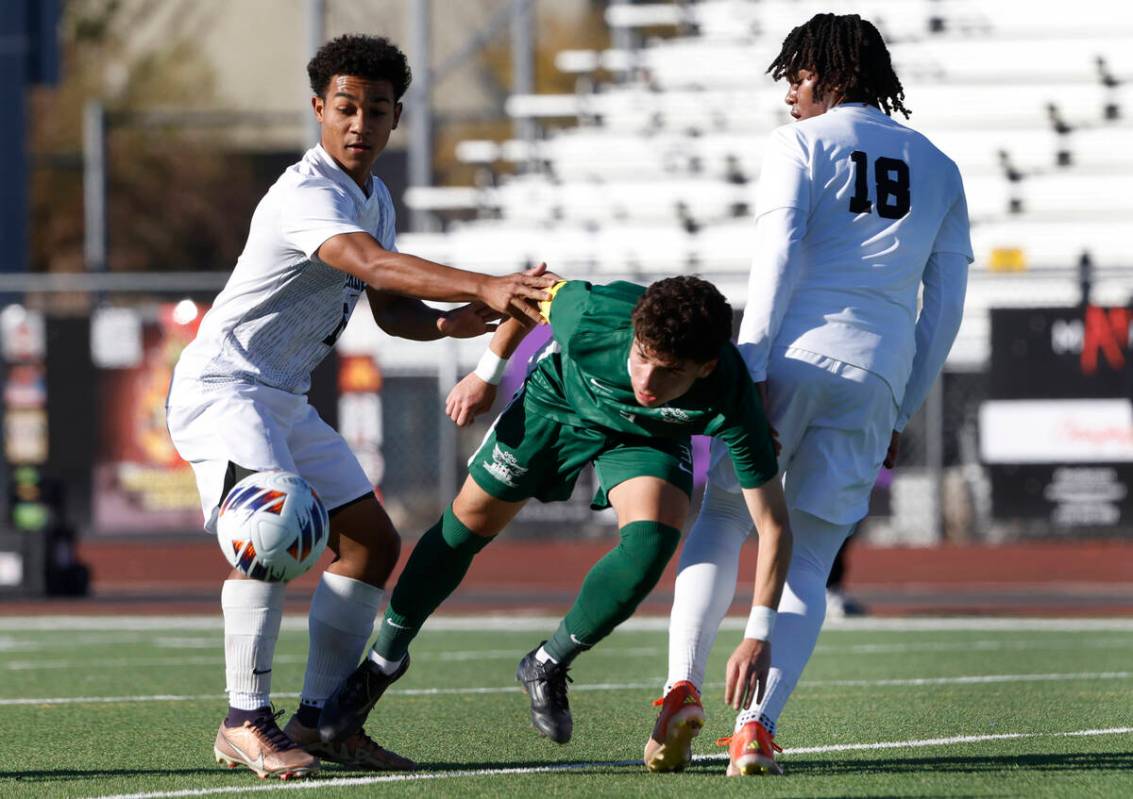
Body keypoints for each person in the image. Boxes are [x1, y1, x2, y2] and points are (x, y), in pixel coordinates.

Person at [165, 34, 555, 781]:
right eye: (345, 107)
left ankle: (322, 720)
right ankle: (244, 719)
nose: (359, 123)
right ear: (318, 108)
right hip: (224, 388)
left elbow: (387, 306)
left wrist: (448, 321)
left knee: (372, 542)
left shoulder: (372, 196)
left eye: (375, 110)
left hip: (279, 395)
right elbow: (370, 263)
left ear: (395, 117)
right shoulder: (306, 191)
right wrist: (484, 284)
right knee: (269, 524)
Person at [651, 13, 972, 777]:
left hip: (789, 356)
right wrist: (901, 402)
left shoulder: (798, 143)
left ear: (829, 76)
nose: (789, 92)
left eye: (796, 75)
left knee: (725, 518)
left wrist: (752, 364)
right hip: (876, 375)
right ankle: (755, 730)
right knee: (813, 555)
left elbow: (778, 251)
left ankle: (680, 688)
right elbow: (946, 305)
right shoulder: (939, 165)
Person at [316, 276, 793, 758]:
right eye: (641, 357)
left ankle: (547, 662)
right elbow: (526, 293)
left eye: (668, 372)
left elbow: (772, 525)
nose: (645, 381)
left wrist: (759, 634)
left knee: (651, 542)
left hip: (645, 438)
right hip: (557, 403)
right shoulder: (592, 316)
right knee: (468, 524)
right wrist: (487, 372)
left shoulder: (731, 395)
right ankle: (381, 663)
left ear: (706, 367)